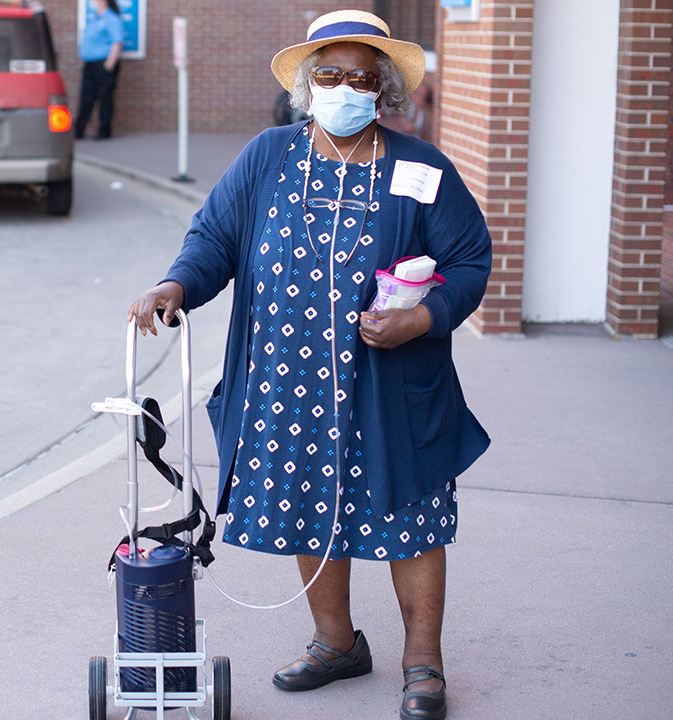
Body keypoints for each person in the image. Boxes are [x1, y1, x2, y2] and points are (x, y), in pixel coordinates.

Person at [129, 10, 491, 720]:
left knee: (411, 516)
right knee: (307, 508)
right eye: (330, 74)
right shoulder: (268, 156)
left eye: (362, 77)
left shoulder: (421, 168)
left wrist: (423, 318)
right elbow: (214, 240)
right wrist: (177, 285)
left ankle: (424, 663)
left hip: (392, 387)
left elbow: (470, 261)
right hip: (289, 385)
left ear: (382, 89)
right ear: (306, 84)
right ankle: (336, 643)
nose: (345, 88)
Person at [74, 0, 124, 140]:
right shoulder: (93, 18)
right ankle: (79, 130)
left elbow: (117, 42)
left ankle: (104, 131)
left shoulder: (111, 19)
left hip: (103, 65)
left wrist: (109, 64)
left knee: (104, 98)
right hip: (90, 65)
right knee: (86, 98)